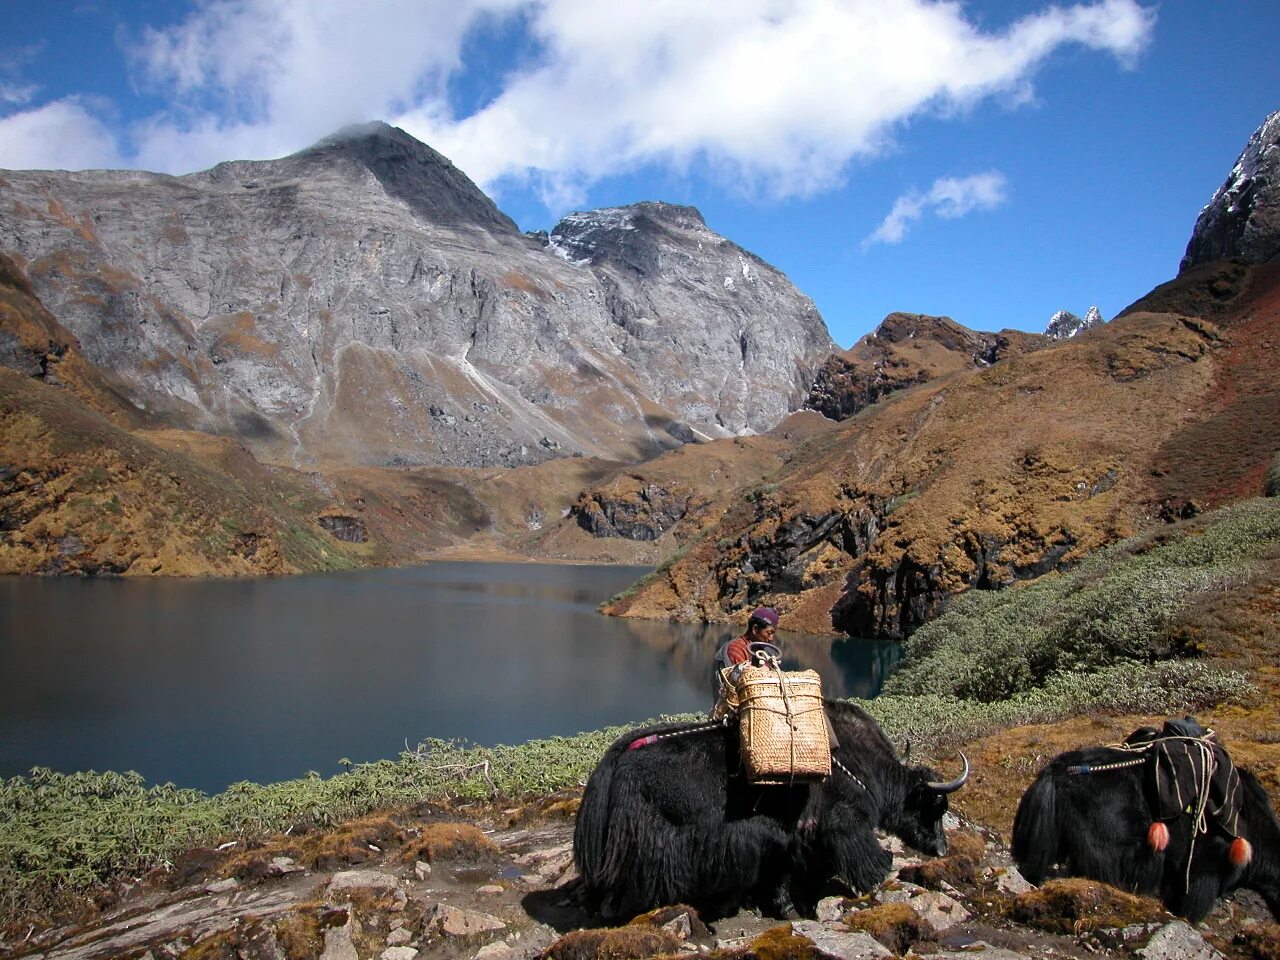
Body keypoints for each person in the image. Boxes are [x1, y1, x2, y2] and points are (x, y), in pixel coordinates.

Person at [711, 606, 781, 700]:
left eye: (773, 634)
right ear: (755, 629)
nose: (771, 638)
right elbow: (740, 685)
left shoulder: (764, 651)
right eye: (769, 633)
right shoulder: (736, 649)